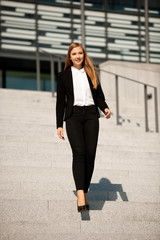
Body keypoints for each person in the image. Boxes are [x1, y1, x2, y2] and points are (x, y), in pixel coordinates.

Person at [56, 42, 111, 213]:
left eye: (80, 53)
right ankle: (81, 194)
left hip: (91, 116)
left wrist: (106, 108)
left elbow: (99, 96)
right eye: (74, 54)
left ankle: (84, 190)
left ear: (84, 55)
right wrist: (59, 124)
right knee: (78, 152)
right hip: (73, 116)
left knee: (90, 154)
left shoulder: (91, 72)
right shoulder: (64, 75)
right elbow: (60, 102)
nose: (78, 56)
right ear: (70, 57)